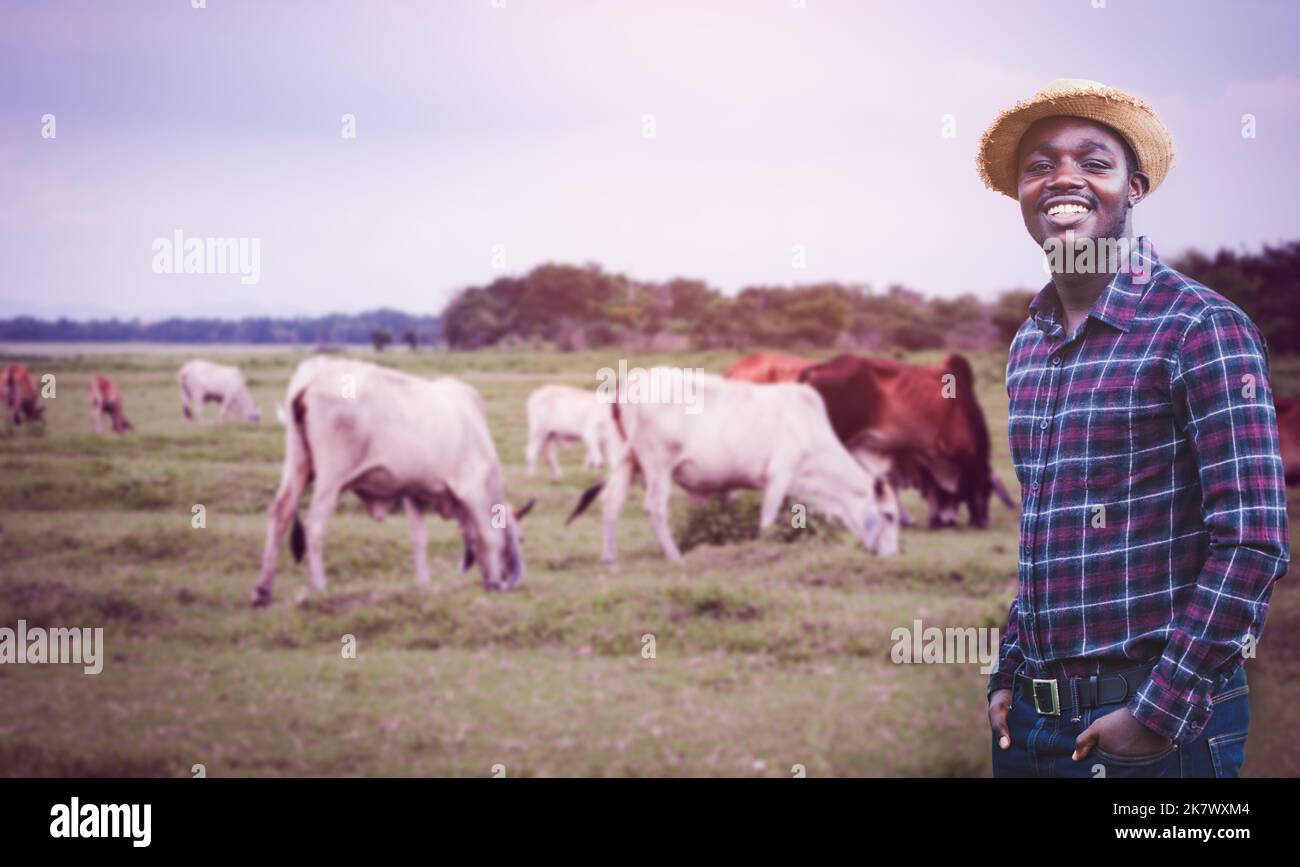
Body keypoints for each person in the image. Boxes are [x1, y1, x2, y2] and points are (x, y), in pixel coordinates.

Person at [977, 79, 1290, 777]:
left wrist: (1157, 710)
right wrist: (1007, 673)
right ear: (1022, 195)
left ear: (1134, 188)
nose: (1064, 178)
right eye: (1039, 165)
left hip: (1154, 727)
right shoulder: (1030, 344)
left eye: (1093, 162)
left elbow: (1253, 539)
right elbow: (1042, 535)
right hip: (1029, 725)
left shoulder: (1200, 327)